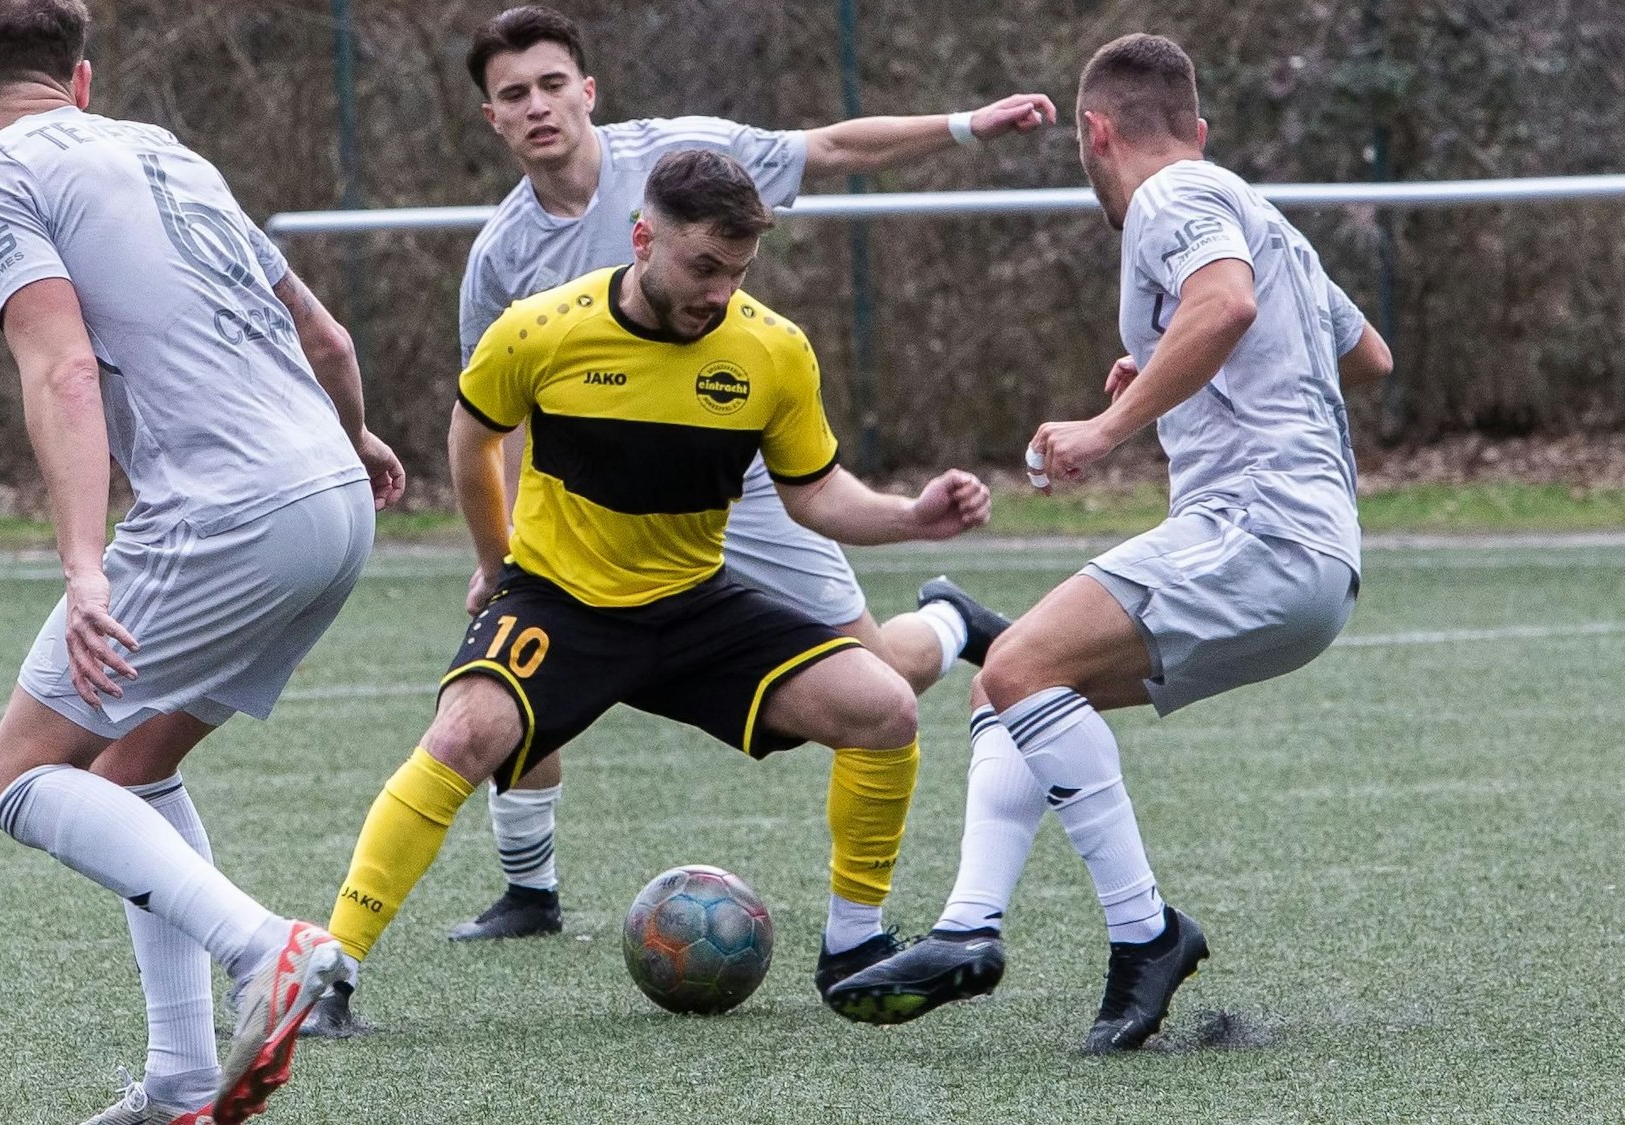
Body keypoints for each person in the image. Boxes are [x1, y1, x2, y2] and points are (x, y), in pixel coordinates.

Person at [320, 149, 997, 1034]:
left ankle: (854, 947)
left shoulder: (773, 351)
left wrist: (913, 516)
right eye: (702, 266)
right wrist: (496, 561)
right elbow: (472, 438)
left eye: (737, 271)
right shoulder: (541, 330)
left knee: (884, 706)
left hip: (693, 607)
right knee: (462, 735)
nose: (718, 291)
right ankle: (329, 971)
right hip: (561, 603)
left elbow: (813, 493)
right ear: (643, 240)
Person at [824, 33, 1392, 1053]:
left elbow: (1223, 304)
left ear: (1092, 131)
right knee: (1012, 685)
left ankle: (1146, 934)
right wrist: (1182, 384)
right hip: (1314, 563)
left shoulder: (1171, 199)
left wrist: (1103, 430)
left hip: (1257, 532)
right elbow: (1365, 356)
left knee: (1023, 661)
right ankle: (968, 928)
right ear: (1198, 125)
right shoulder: (1265, 219)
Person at [447, 2, 1051, 950]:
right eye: (512, 94)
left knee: (872, 685)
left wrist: (966, 125)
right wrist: (510, 549)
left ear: (588, 91)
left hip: (736, 473)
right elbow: (503, 412)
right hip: (597, 499)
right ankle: (532, 890)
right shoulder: (501, 256)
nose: (537, 107)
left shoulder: (681, 159)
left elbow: (833, 148)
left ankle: (945, 622)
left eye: (553, 84)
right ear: (492, 117)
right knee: (510, 666)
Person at [0, 1, 405, 1121]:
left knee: (14, 778)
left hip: (228, 507)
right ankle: (180, 1080)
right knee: (131, 769)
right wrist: (351, 441)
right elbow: (328, 340)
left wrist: (85, 564)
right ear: (83, 78)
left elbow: (57, 372)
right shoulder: (167, 150)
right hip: (333, 499)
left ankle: (267, 950)